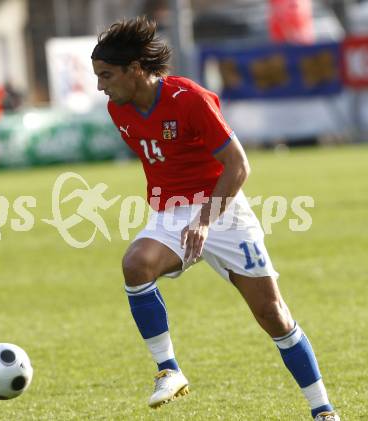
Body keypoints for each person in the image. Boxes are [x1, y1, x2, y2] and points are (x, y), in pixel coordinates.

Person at [91, 17, 339, 420]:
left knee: (272, 314)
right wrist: (180, 215)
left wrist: (205, 219)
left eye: (106, 75)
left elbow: (238, 165)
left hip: (223, 209)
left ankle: (323, 410)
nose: (101, 85)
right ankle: (168, 369)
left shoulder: (189, 98)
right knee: (135, 264)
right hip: (171, 214)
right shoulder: (118, 110)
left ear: (135, 69)